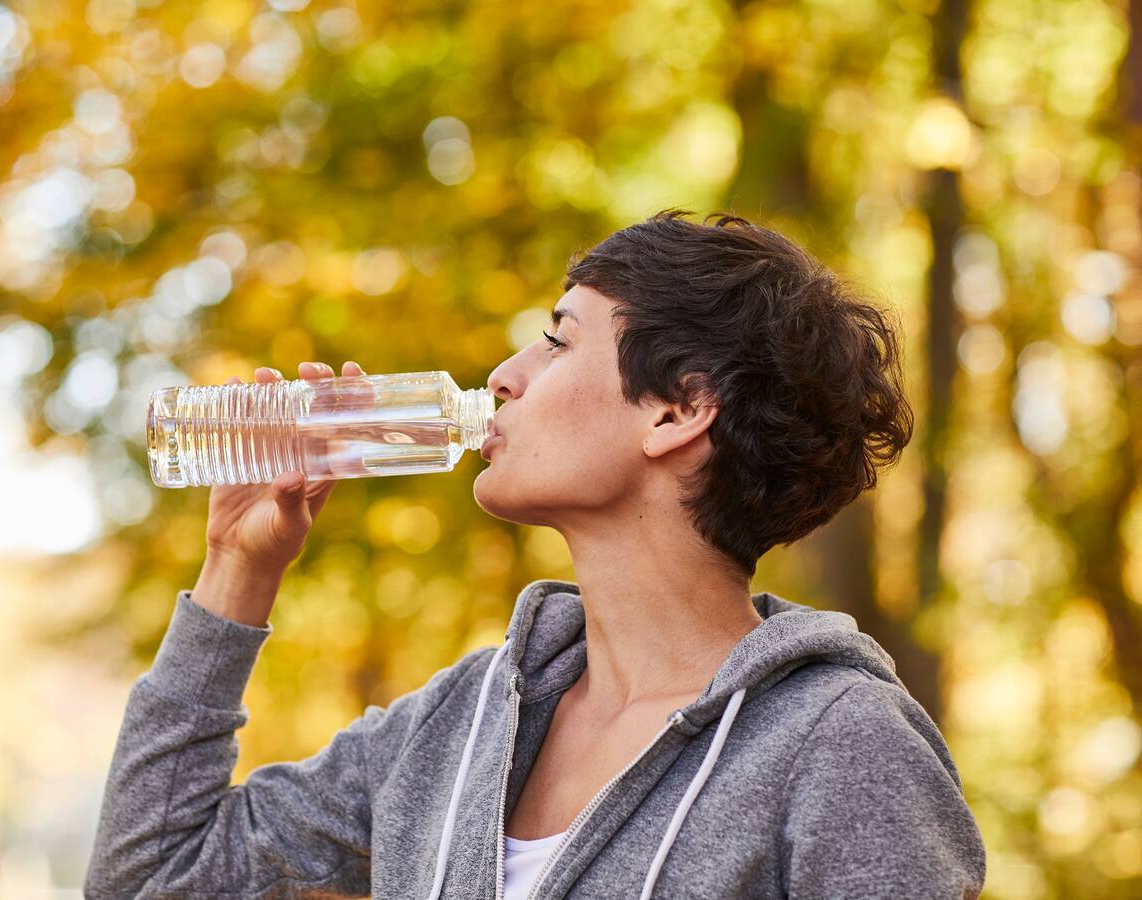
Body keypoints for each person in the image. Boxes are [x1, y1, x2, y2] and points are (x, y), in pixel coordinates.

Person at [85, 211, 986, 899]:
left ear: (677, 411)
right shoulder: (456, 724)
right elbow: (154, 876)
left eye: (558, 339)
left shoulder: (840, 745)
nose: (506, 374)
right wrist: (238, 569)